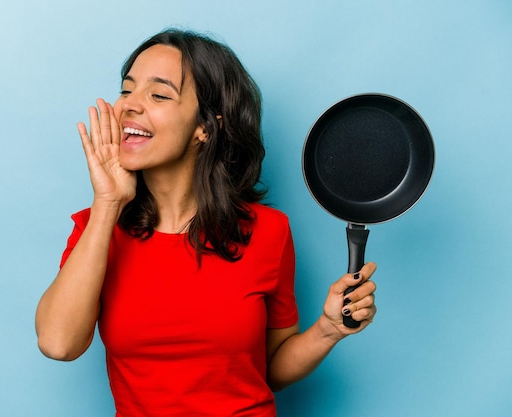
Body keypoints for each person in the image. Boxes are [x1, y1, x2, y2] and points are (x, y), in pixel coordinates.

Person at [35, 28, 377, 416]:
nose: (129, 105)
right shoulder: (95, 227)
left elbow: (269, 369)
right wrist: (109, 203)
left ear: (205, 127)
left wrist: (329, 329)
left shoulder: (269, 230)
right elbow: (58, 343)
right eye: (127, 89)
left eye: (159, 94)